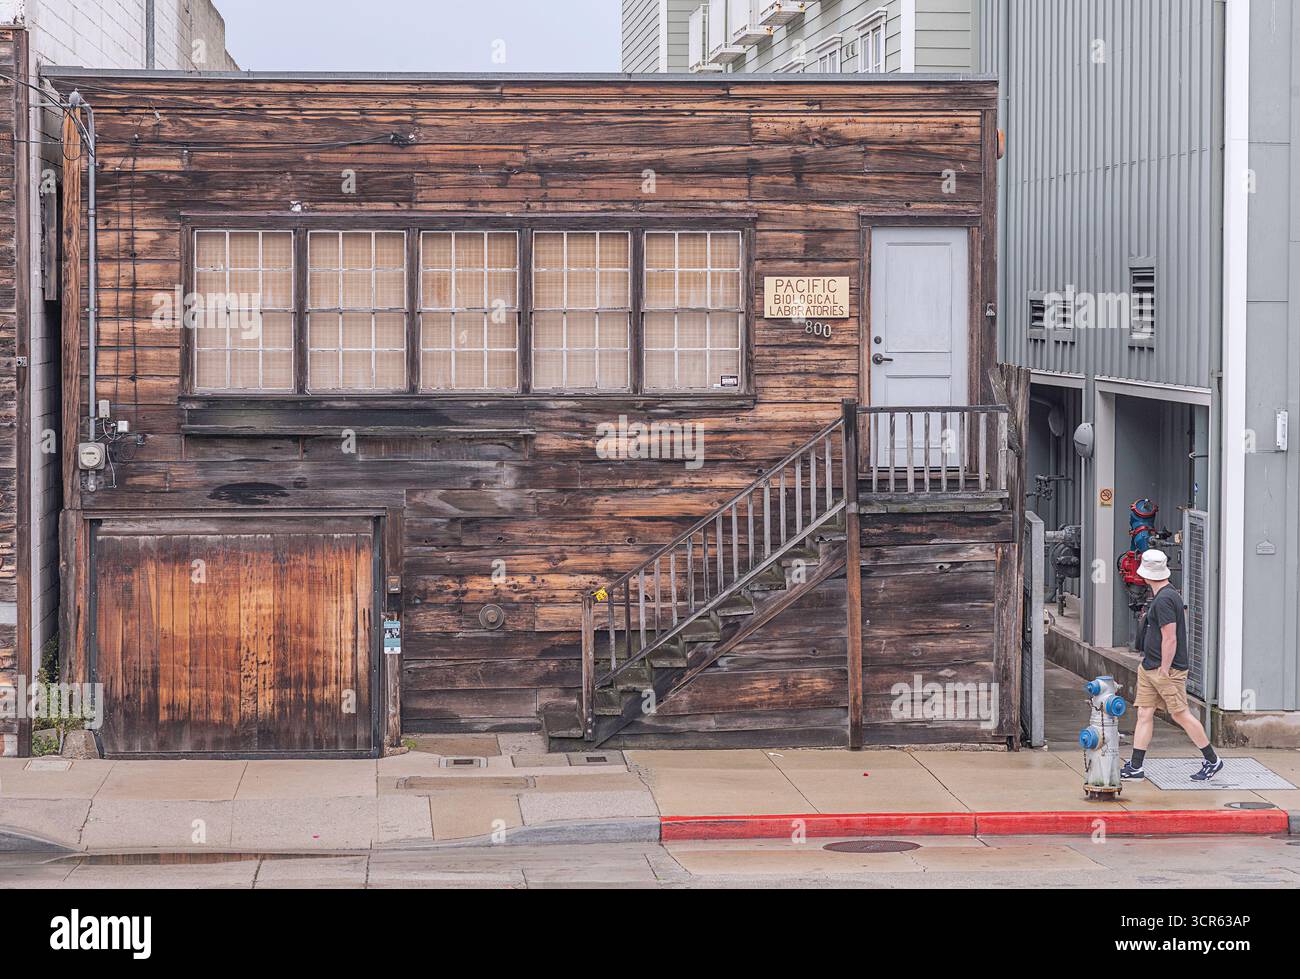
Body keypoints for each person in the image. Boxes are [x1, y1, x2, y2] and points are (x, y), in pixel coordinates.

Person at [1120, 549, 1223, 782]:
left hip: (1165, 669)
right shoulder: (1165, 595)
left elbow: (1170, 637)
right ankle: (1136, 766)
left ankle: (1212, 760)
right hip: (1150, 667)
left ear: (1146, 574)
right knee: (1145, 713)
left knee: (1180, 714)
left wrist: (1165, 670)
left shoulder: (1165, 599)